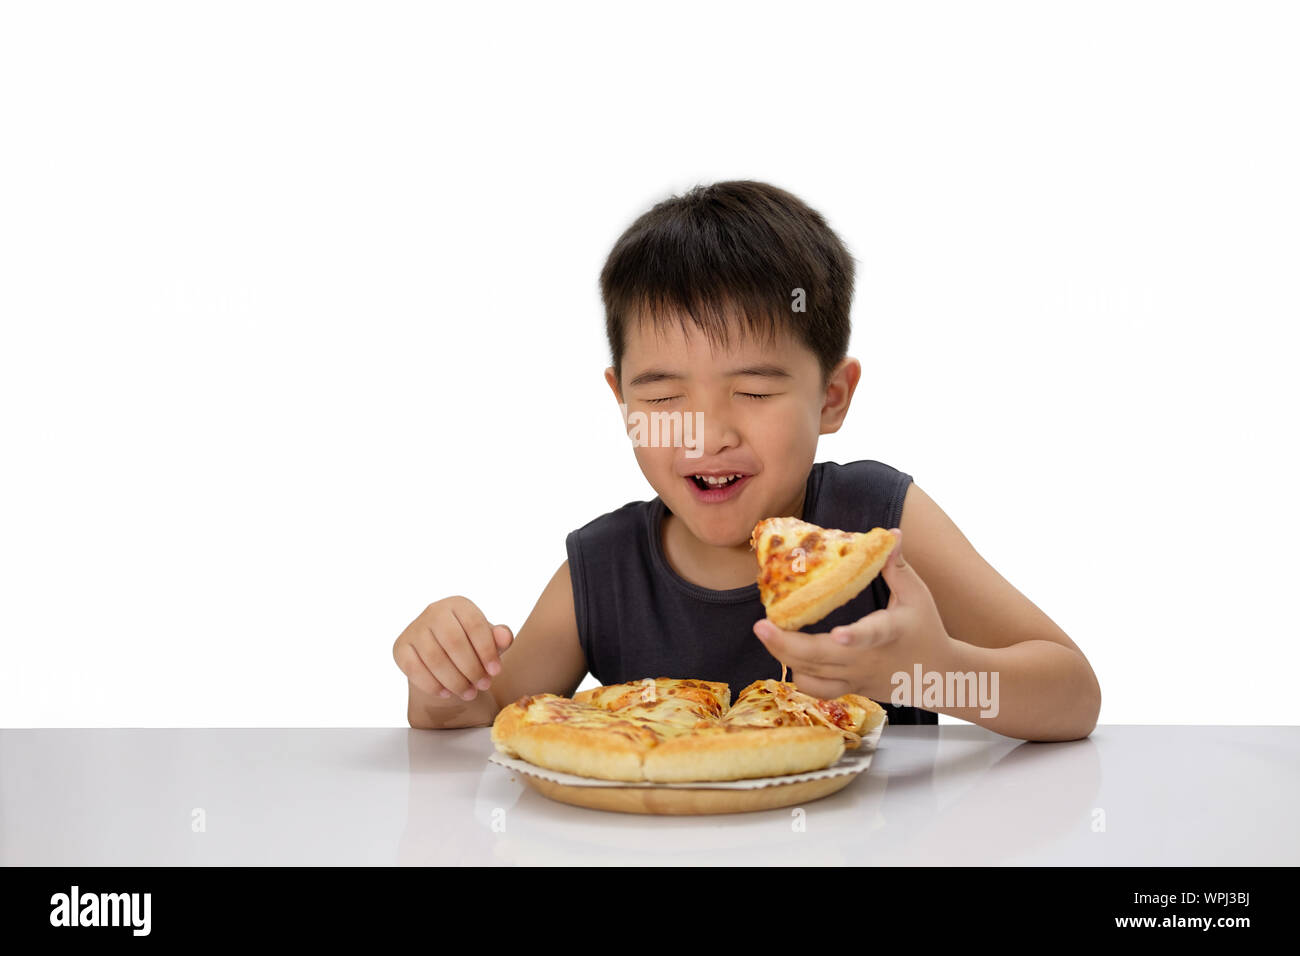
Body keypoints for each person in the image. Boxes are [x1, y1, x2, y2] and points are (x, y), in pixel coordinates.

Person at [393, 180, 1101, 742]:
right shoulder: (603, 569)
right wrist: (441, 670)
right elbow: (476, 712)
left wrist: (931, 673)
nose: (708, 433)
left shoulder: (875, 526)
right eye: (665, 395)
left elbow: (1072, 695)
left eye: (755, 390)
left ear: (831, 397)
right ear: (622, 402)